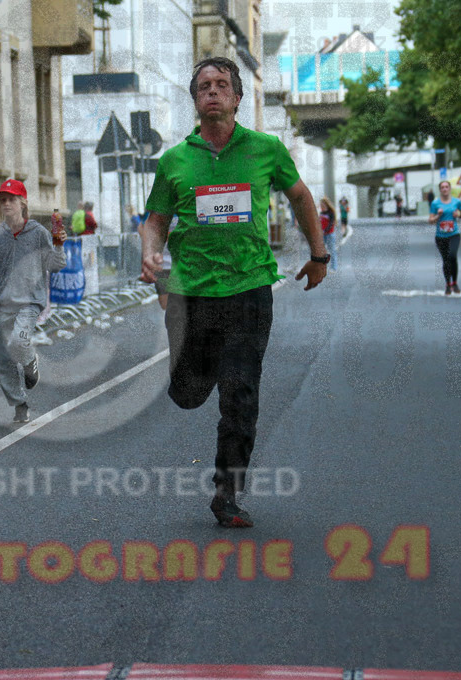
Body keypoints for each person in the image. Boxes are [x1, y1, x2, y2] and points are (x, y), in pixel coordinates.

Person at [139, 56, 328, 529]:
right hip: (190, 294)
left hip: (248, 290)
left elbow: (301, 196)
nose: (213, 92)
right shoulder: (175, 161)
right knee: (187, 392)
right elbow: (157, 218)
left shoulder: (265, 148)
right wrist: (151, 253)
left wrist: (319, 254)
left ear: (238, 98)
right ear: (196, 100)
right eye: (204, 86)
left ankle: (227, 493)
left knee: (240, 393)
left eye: (222, 85)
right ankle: (191, 382)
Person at [0, 179, 67, 423]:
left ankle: (29, 361)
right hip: (4, 303)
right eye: (2, 199)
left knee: (19, 341)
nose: (6, 204)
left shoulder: (38, 233)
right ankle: (19, 404)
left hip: (30, 302)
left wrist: (59, 245)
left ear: (22, 203)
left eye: (11, 199)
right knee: (3, 360)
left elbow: (55, 265)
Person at [429, 180, 461, 295]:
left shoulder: (456, 202)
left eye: (446, 187)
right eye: (442, 187)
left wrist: (459, 215)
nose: (445, 189)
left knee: (452, 256)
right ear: (440, 190)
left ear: (449, 189)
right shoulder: (435, 204)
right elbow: (430, 220)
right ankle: (448, 285)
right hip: (440, 236)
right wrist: (438, 215)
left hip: (454, 234)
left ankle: (455, 282)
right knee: (446, 260)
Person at [319, 197, 338, 271]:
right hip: (322, 234)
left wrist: (325, 230)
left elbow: (331, 224)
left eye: (322, 206)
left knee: (332, 250)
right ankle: (322, 267)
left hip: (329, 234)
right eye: (320, 206)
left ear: (326, 205)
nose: (321, 207)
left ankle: (334, 267)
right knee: (321, 251)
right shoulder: (321, 213)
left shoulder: (331, 213)